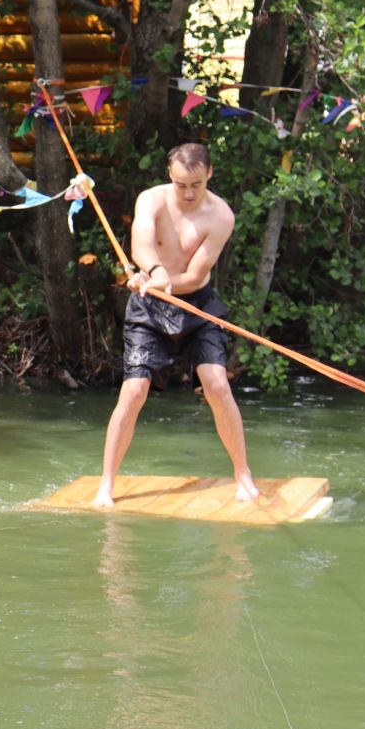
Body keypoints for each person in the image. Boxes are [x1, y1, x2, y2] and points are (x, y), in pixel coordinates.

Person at [94, 144, 260, 508]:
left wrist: (167, 282)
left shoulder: (221, 216)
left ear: (210, 175)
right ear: (170, 174)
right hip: (149, 306)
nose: (187, 193)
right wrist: (154, 275)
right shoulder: (152, 200)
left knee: (216, 384)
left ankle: (243, 474)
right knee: (134, 390)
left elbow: (196, 273)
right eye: (181, 184)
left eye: (196, 185)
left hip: (196, 305)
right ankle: (106, 484)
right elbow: (139, 243)